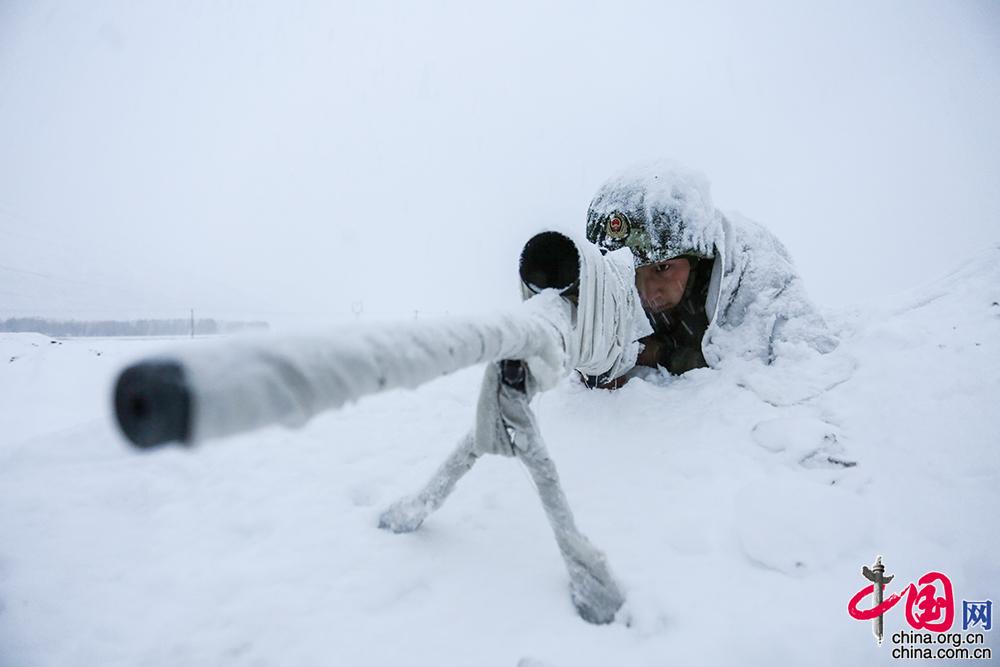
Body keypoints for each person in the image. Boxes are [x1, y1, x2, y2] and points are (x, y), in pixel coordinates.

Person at [583, 161, 836, 384]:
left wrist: (659, 354)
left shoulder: (755, 274)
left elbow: (810, 364)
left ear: (697, 259)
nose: (647, 291)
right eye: (632, 273)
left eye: (662, 268)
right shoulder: (619, 286)